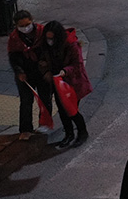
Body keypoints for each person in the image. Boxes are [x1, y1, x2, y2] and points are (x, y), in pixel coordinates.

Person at [39, 20, 91, 149]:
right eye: (47, 38)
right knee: (62, 111)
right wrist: (45, 70)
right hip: (57, 83)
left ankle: (82, 132)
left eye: (52, 38)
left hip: (72, 83)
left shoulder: (71, 45)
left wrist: (64, 72)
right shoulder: (46, 45)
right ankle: (69, 134)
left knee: (71, 110)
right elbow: (42, 59)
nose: (49, 40)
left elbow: (77, 65)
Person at [8, 10, 49, 139]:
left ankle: (45, 124)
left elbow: (49, 50)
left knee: (45, 99)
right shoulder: (14, 38)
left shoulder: (42, 32)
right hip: (25, 74)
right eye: (22, 26)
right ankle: (26, 129)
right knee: (26, 101)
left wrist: (46, 65)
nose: (26, 28)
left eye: (28, 24)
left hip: (42, 73)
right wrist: (19, 72)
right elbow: (13, 58)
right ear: (16, 26)